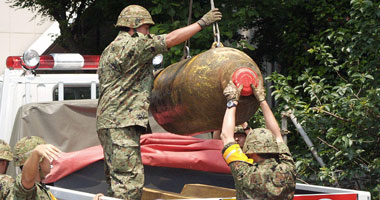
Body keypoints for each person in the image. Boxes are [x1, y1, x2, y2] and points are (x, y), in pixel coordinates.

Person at [96, 4, 222, 199]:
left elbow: (130, 80)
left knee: (117, 182)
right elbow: (170, 39)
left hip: (111, 123)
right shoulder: (133, 44)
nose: (148, 33)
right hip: (122, 123)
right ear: (134, 27)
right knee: (129, 185)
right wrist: (202, 23)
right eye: (146, 28)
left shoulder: (110, 49)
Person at [219, 81, 296, 199]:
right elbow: (278, 136)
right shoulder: (287, 169)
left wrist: (232, 101)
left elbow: (226, 136)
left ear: (251, 150)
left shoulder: (245, 173)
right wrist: (262, 100)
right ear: (272, 147)